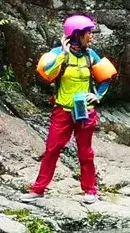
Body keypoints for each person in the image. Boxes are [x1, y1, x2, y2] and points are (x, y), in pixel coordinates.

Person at [21, 15, 117, 205]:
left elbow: (106, 78)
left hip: (85, 111)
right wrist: (64, 55)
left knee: (86, 152)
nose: (91, 36)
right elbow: (47, 75)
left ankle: (90, 191)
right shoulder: (57, 53)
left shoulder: (91, 55)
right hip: (63, 111)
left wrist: (97, 96)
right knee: (52, 150)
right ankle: (38, 190)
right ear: (76, 34)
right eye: (88, 33)